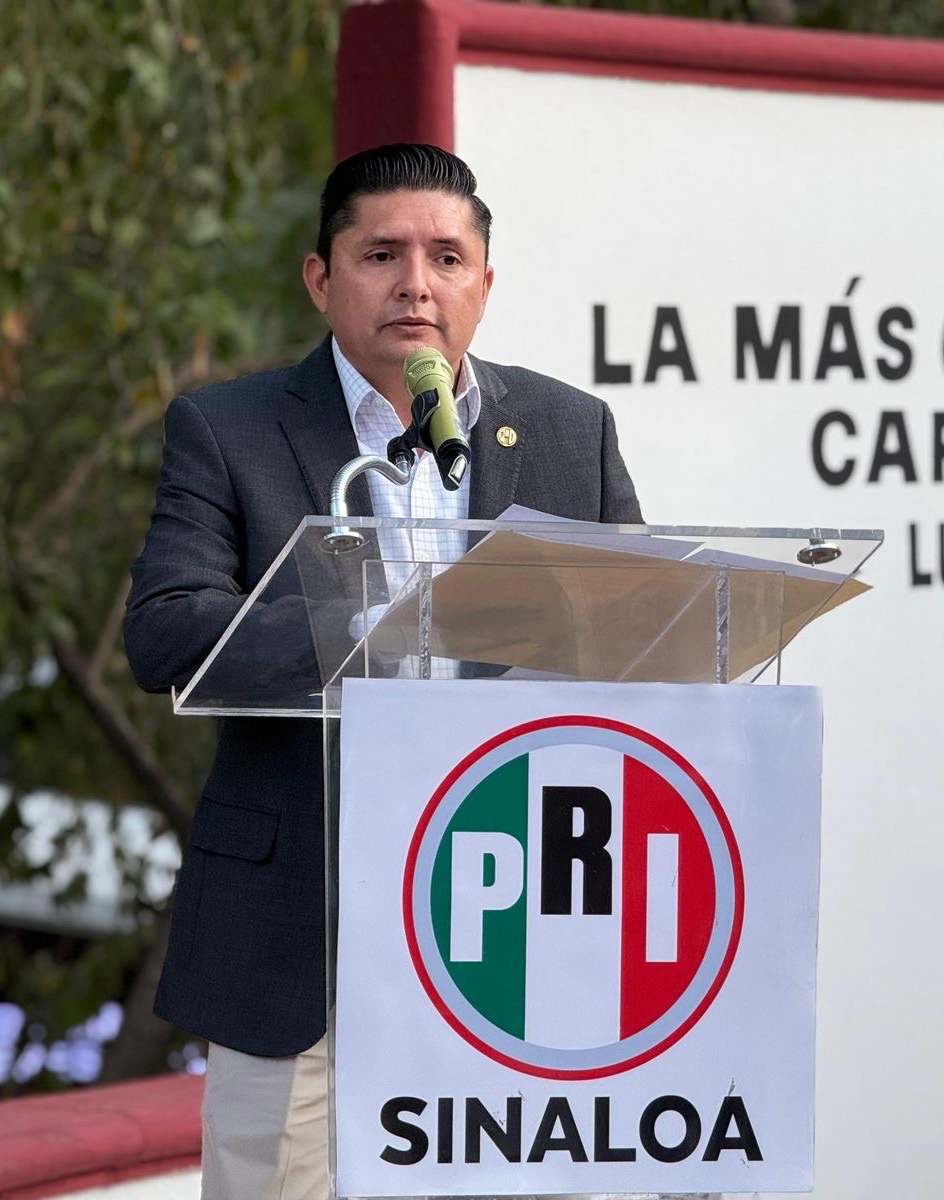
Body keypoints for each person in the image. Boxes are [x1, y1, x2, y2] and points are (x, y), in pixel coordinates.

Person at [124, 143, 643, 1199]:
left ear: (484, 284)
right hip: (300, 941)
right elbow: (168, 631)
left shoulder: (568, 432)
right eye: (381, 255)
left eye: (446, 257)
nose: (416, 283)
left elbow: (641, 633)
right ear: (321, 279)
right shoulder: (229, 430)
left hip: (521, 926)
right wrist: (374, 626)